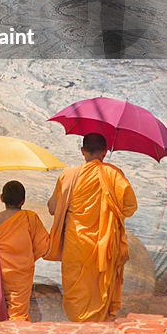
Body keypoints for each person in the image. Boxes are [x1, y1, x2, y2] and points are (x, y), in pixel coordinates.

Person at [46, 132, 138, 322]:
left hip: (75, 243)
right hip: (102, 244)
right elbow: (130, 207)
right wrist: (111, 207)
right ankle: (98, 330)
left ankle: (77, 324)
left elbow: (53, 208)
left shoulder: (68, 175)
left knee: (75, 286)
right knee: (100, 286)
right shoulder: (112, 174)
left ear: (82, 151)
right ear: (104, 152)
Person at [0, 180, 50, 321]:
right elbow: (43, 246)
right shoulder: (29, 217)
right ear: (23, 201)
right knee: (18, 314)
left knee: (1, 310)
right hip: (21, 274)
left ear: (2, 198)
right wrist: (28, 259)